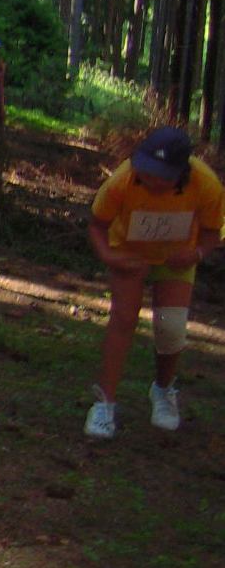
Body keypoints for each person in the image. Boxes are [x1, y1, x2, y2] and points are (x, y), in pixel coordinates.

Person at [84, 126, 222, 438]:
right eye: (148, 172)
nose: (153, 181)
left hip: (176, 258)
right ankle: (104, 404)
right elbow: (97, 224)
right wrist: (110, 256)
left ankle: (163, 389)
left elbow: (213, 232)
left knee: (171, 325)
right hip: (130, 253)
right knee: (123, 318)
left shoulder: (207, 184)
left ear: (181, 172)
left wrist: (197, 254)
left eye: (163, 177)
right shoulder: (122, 180)